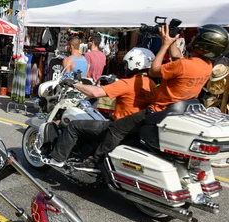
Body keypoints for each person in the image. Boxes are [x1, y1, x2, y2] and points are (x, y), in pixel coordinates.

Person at [85, 24, 229, 169]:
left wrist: (165, 44)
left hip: (158, 110)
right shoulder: (207, 65)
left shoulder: (184, 65)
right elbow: (178, 57)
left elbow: (154, 70)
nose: (192, 38)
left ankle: (95, 160)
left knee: (116, 128)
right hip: (176, 111)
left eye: (196, 37)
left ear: (201, 44)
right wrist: (171, 40)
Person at [47, 48, 157, 168]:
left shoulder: (127, 83)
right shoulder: (151, 84)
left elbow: (96, 93)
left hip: (118, 126)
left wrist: (74, 84)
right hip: (134, 128)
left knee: (73, 126)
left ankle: (57, 159)